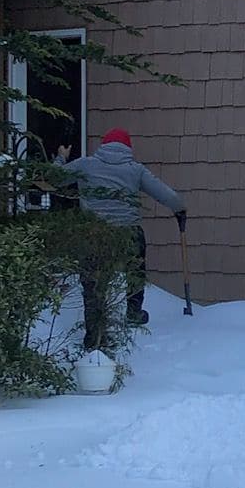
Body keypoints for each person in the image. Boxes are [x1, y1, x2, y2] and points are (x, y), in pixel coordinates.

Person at [62, 127, 186, 347]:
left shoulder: (85, 164)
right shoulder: (134, 170)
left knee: (93, 282)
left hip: (94, 233)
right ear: (128, 148)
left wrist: (60, 158)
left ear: (104, 145)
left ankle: (94, 333)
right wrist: (179, 209)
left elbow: (53, 178)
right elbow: (167, 195)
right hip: (128, 232)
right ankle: (134, 312)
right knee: (135, 271)